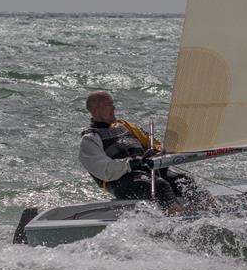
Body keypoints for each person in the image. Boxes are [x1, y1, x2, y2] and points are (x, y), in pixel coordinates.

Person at [78, 90, 217, 215]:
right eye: (109, 105)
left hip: (147, 171)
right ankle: (178, 222)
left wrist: (156, 152)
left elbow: (154, 143)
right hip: (122, 182)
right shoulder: (89, 140)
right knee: (160, 186)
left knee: (184, 180)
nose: (114, 108)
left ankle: (215, 211)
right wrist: (131, 163)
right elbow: (105, 171)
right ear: (95, 110)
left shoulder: (126, 126)